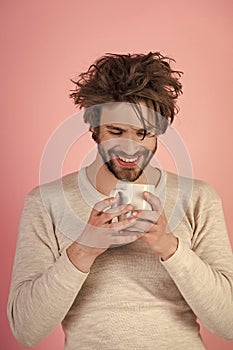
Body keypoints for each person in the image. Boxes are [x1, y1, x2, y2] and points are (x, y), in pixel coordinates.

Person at [7, 52, 233, 350]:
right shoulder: (46, 203)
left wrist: (169, 246)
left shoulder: (198, 199)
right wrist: (82, 250)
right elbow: (25, 329)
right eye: (116, 131)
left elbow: (228, 322)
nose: (131, 147)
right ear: (94, 129)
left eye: (143, 133)